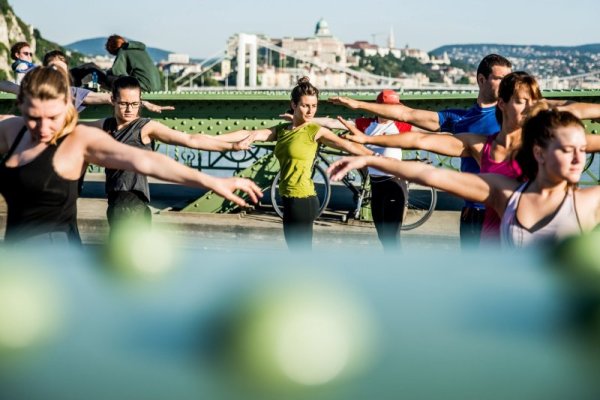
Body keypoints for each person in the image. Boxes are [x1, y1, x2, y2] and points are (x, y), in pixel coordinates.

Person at [0, 67, 261, 244]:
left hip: (61, 251)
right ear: (21, 106)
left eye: (54, 118)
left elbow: (147, 160)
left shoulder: (80, 137)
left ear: (66, 110)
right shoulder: (13, 130)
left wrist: (213, 180)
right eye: (34, 118)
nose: (44, 128)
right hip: (17, 256)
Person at [328, 104, 599, 249]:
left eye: (583, 150)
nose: (578, 158)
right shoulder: (506, 193)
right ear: (539, 152)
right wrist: (369, 158)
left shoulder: (589, 202)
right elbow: (430, 174)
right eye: (566, 150)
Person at [329, 54, 513, 247]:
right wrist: (358, 105)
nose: (507, 85)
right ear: (481, 80)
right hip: (473, 212)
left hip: (503, 209)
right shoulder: (461, 119)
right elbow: (407, 115)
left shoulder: (513, 116)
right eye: (501, 79)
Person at [84, 75, 256, 229]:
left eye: (135, 104)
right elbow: (71, 129)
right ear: (112, 100)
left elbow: (191, 140)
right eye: (123, 104)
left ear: (140, 101)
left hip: (133, 202)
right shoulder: (105, 125)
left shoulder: (145, 127)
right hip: (115, 203)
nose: (129, 109)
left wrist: (232, 147)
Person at [221, 77, 374, 250]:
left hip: (303, 199)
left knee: (300, 252)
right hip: (288, 197)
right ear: (293, 105)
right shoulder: (282, 130)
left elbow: (348, 145)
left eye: (314, 106)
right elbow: (250, 133)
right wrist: (211, 140)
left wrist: (377, 157)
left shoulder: (315, 131)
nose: (310, 111)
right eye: (305, 105)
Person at [284, 89, 413, 250]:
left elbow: (428, 131)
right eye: (388, 107)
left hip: (394, 183)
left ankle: (398, 271)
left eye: (395, 107)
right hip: (376, 185)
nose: (392, 111)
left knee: (392, 235)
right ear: (378, 106)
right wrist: (302, 118)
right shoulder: (366, 124)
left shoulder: (401, 125)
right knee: (382, 234)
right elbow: (332, 123)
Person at [0, 50, 173, 114]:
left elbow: (111, 98)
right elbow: (8, 86)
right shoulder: (34, 89)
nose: (57, 75)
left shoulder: (73, 93)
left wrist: (144, 103)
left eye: (60, 71)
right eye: (53, 70)